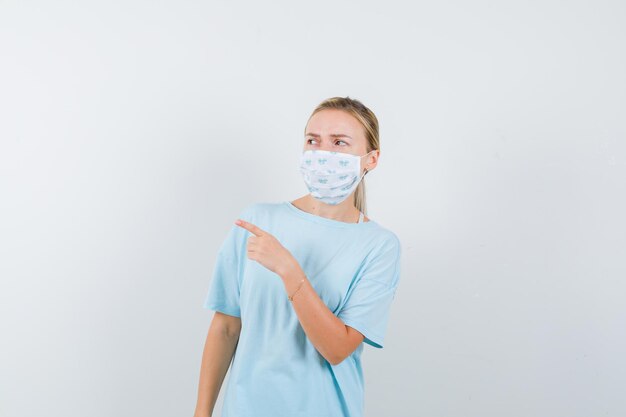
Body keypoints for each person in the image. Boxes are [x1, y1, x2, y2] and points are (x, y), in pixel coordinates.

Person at [193, 96, 402, 417]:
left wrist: (290, 271)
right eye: (313, 140)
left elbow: (336, 349)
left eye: (339, 142)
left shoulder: (378, 245)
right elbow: (225, 327)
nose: (323, 152)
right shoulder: (258, 221)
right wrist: (202, 413)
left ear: (370, 159)